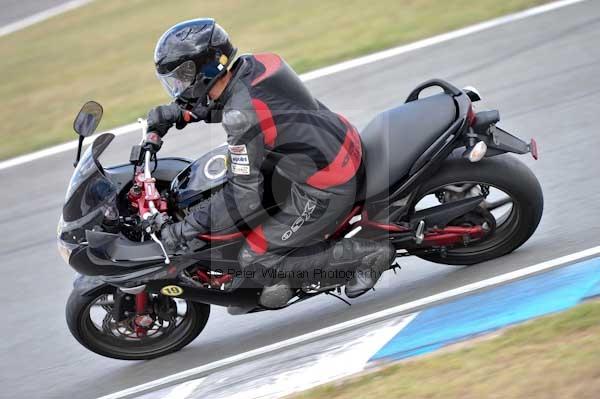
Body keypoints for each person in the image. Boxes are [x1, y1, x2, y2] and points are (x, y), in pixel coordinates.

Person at [144, 18, 395, 309]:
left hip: (327, 184)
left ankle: (367, 253)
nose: (178, 85)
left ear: (203, 68)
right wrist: (179, 113)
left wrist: (184, 229)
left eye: (182, 76)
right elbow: (242, 105)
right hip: (336, 141)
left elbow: (243, 198)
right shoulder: (256, 65)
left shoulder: (240, 116)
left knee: (255, 257)